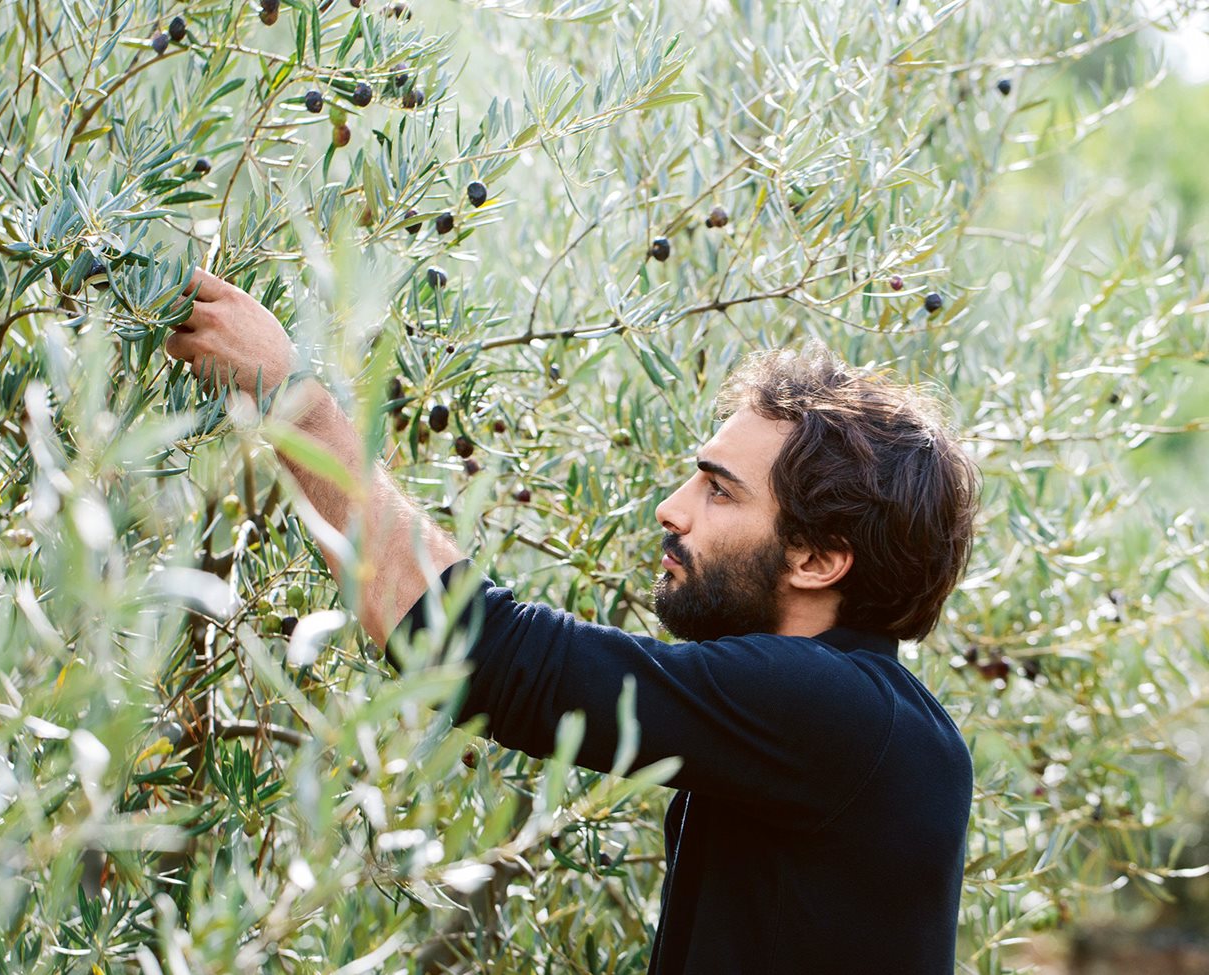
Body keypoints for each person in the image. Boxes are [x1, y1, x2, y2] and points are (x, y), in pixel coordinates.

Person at [165, 267, 981, 974]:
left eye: (719, 489)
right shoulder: (855, 725)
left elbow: (482, 653)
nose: (672, 509)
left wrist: (294, 401)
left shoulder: (838, 713)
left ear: (817, 559)